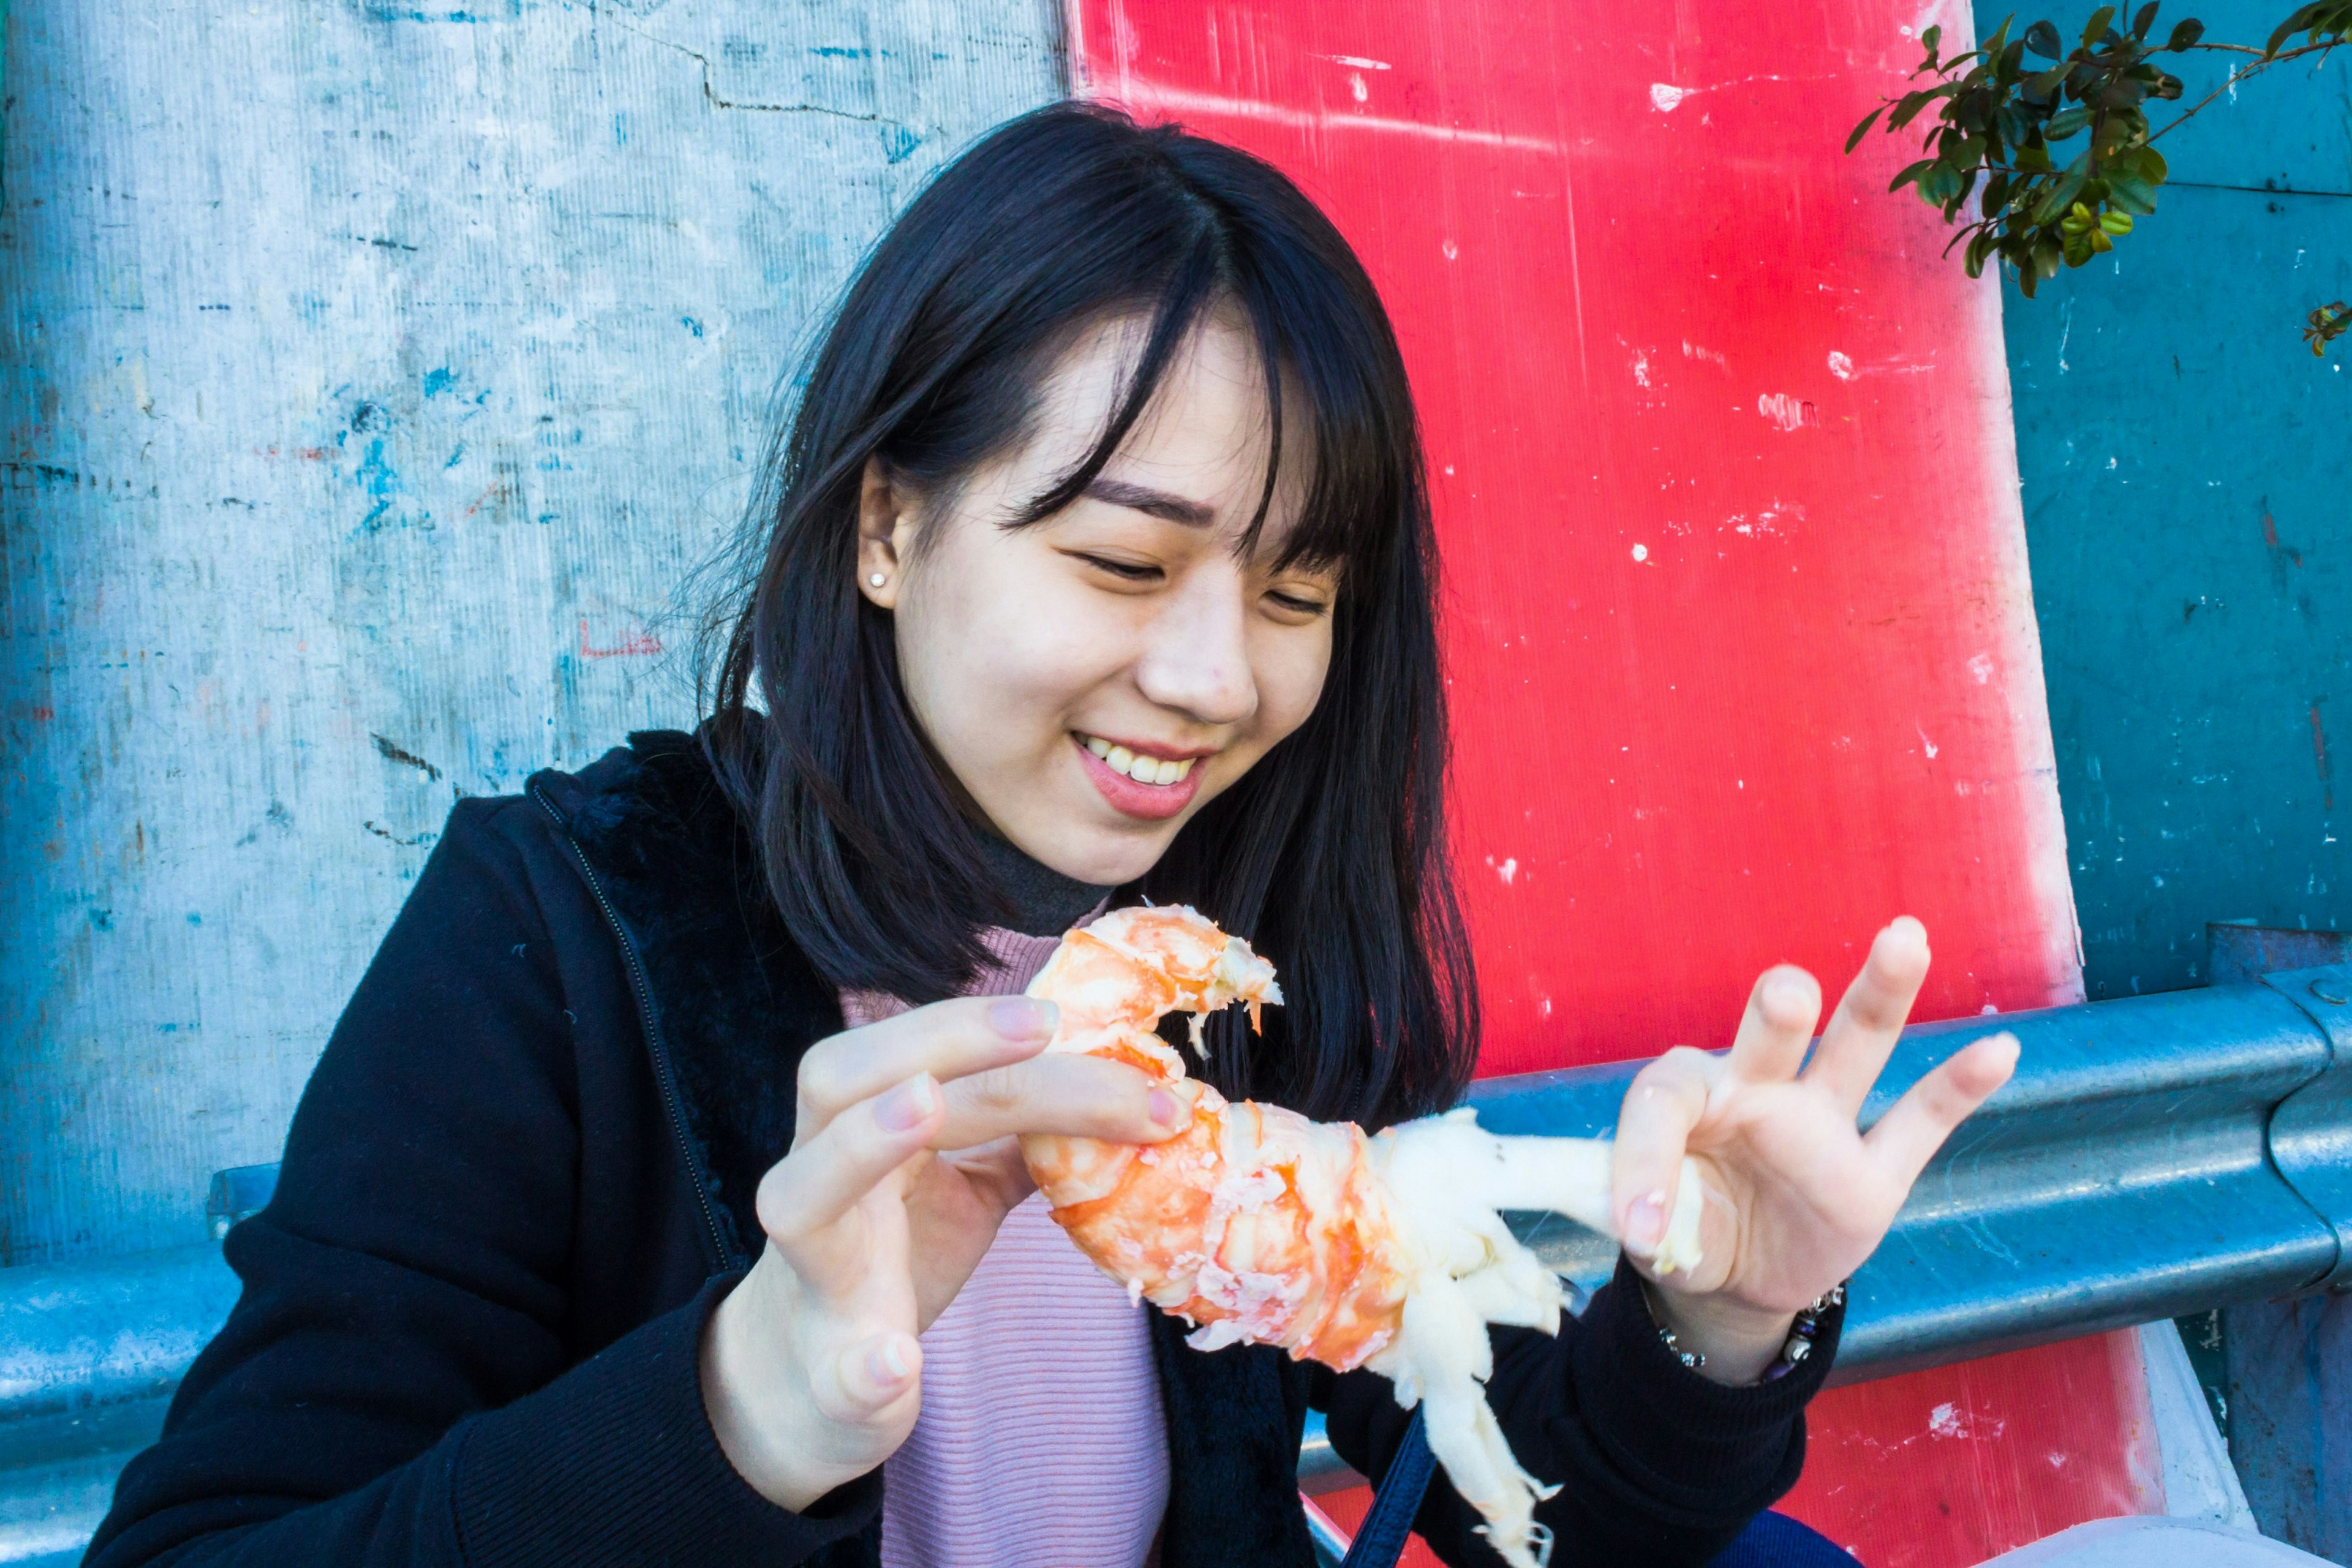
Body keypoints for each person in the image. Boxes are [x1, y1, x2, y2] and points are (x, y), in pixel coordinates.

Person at [84, 103, 2018, 1568]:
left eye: (1296, 589)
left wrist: (1718, 1317)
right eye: (1120, 558)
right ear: (888, 524)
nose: (1209, 678)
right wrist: (750, 1404)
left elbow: (1532, 1500)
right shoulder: (572, 931)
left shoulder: (1231, 962)